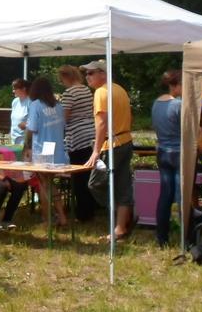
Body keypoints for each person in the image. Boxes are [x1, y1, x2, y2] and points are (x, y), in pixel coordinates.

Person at [83, 60, 136, 242]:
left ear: (103, 73)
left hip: (112, 145)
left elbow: (101, 123)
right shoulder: (119, 89)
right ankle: (121, 227)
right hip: (125, 141)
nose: (87, 77)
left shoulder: (101, 92)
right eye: (86, 73)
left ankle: (121, 215)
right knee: (122, 186)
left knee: (95, 184)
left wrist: (96, 151)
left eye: (91, 73)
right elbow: (130, 116)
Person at [24, 75, 69, 226]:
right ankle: (61, 216)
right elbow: (63, 127)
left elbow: (32, 128)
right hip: (57, 150)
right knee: (50, 183)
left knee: (43, 184)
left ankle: (47, 219)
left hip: (42, 150)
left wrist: (27, 146)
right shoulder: (58, 106)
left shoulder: (35, 105)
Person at [58, 65, 97, 222]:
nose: (61, 82)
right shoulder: (86, 89)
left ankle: (82, 213)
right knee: (88, 174)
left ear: (66, 77)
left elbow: (65, 117)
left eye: (61, 79)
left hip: (76, 137)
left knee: (78, 177)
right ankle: (91, 209)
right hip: (90, 134)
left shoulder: (69, 93)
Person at [152, 70, 182, 247]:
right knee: (181, 195)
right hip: (178, 153)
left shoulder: (156, 104)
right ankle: (186, 238)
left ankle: (161, 237)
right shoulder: (178, 104)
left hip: (162, 152)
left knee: (165, 196)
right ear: (174, 85)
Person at [9, 78, 31, 145]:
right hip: (13, 140)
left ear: (23, 89)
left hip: (25, 141)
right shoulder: (15, 102)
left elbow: (34, 122)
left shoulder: (30, 102)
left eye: (15, 89)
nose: (13, 91)